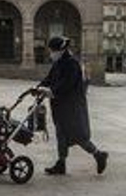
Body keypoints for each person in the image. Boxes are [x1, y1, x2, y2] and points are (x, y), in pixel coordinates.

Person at [34, 35, 108, 176]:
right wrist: (38, 87)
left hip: (72, 106)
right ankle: (61, 163)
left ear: (60, 50)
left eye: (52, 50)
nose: (51, 53)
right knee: (61, 133)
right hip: (60, 105)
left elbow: (67, 85)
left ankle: (99, 155)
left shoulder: (72, 64)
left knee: (79, 136)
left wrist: (51, 92)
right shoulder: (58, 63)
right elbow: (49, 79)